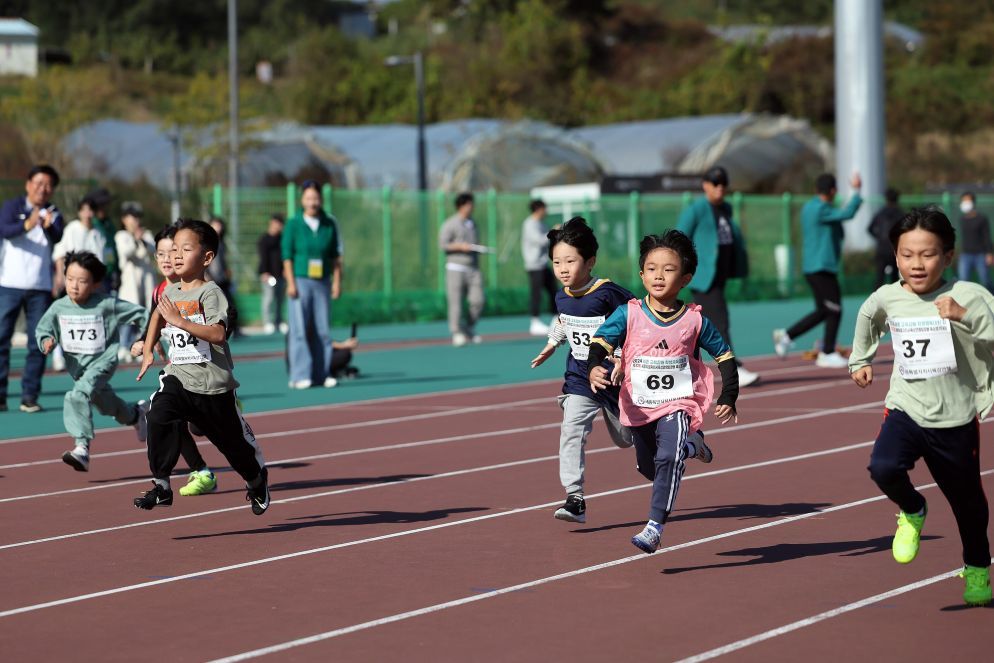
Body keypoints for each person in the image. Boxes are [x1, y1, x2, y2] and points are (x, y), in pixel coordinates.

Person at [849, 206, 991, 606]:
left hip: (956, 417)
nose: (916, 264)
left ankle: (977, 568)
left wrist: (963, 316)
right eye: (907, 254)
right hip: (906, 408)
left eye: (927, 254)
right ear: (895, 256)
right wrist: (860, 360)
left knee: (967, 503)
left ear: (947, 256)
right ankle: (912, 509)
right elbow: (868, 315)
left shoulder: (969, 295)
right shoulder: (889, 296)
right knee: (883, 466)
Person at [531, 218, 709, 524]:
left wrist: (619, 357)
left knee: (629, 441)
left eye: (570, 261)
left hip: (621, 382)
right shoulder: (562, 295)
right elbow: (564, 320)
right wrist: (552, 343)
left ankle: (691, 441)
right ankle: (575, 498)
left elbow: (638, 320)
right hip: (582, 378)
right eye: (557, 262)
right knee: (571, 429)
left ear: (590, 262)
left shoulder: (609, 294)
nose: (562, 269)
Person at [587, 230, 739, 553]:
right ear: (641, 274)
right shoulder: (628, 313)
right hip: (639, 404)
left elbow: (724, 355)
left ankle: (654, 527)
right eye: (652, 269)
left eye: (668, 270)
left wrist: (729, 395)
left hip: (679, 403)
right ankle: (692, 446)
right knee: (651, 468)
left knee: (668, 457)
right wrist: (594, 366)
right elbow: (599, 343)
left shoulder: (695, 321)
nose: (659, 276)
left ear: (685, 278)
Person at [135, 219, 268, 513]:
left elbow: (218, 334)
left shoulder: (211, 293)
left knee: (233, 447)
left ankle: (256, 479)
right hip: (180, 377)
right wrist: (147, 349)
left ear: (207, 257)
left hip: (213, 386)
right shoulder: (171, 291)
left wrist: (180, 322)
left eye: (185, 249)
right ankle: (162, 484)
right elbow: (157, 315)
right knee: (158, 414)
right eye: (173, 249)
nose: (176, 255)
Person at [36, 252, 149, 471]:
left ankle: (82, 448)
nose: (74, 286)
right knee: (106, 404)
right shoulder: (59, 307)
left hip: (103, 363)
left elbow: (143, 315)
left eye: (82, 281)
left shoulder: (106, 304)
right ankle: (136, 414)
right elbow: (44, 329)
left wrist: (145, 339)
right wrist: (46, 341)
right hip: (78, 369)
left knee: (77, 395)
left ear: (95, 284)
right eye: (70, 279)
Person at [129, 225, 218, 497]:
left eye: (174, 252)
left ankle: (227, 403)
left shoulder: (200, 289)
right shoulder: (160, 291)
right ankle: (201, 471)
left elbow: (221, 326)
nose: (168, 258)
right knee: (168, 415)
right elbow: (153, 321)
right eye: (161, 253)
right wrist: (144, 342)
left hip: (207, 373)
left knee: (199, 426)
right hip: (178, 371)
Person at [676, 166, 759, 387]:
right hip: (703, 277)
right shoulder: (696, 209)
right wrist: (684, 268)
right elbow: (678, 238)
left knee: (702, 325)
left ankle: (680, 367)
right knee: (720, 322)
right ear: (705, 185)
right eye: (715, 183)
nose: (719, 188)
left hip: (719, 276)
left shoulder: (726, 209)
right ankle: (733, 370)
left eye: (723, 184)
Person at [773, 172, 863, 368]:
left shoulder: (810, 207)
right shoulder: (821, 209)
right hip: (821, 267)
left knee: (826, 310)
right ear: (833, 191)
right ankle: (824, 351)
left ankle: (791, 338)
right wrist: (856, 191)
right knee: (834, 309)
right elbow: (847, 214)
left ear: (816, 189)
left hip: (814, 266)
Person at [0, 164, 65, 412]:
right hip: (9, 284)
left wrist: (47, 225)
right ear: (28, 184)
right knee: (1, 340)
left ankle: (29, 396)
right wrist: (28, 224)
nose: (42, 189)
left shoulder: (54, 212)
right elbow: (4, 230)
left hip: (40, 287)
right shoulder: (12, 207)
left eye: (48, 185)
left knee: (37, 343)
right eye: (38, 183)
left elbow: (58, 235)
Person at [282, 181, 343, 389]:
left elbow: (335, 256)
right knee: (299, 329)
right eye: (308, 198)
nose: (312, 202)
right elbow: (287, 256)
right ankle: (299, 375)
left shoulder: (329, 223)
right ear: (302, 200)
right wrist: (291, 282)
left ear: (321, 199)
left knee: (322, 329)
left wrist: (337, 281)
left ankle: (321, 374)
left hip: (323, 281)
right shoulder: (293, 224)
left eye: (316, 198)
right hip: (300, 280)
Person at [439, 192, 485, 346]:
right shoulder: (450, 223)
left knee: (478, 300)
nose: (472, 207)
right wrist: (460, 246)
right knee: (456, 303)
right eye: (469, 204)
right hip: (455, 268)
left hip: (472, 268)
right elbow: (443, 244)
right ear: (460, 206)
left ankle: (467, 327)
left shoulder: (473, 223)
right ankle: (456, 332)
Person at [115, 205, 156, 362]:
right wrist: (135, 239)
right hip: (130, 282)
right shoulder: (122, 235)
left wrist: (142, 239)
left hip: (146, 282)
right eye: (132, 217)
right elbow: (126, 252)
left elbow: (154, 250)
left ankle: (142, 346)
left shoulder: (146, 234)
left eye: (137, 217)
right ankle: (124, 346)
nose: (135, 221)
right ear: (124, 219)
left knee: (145, 316)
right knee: (129, 315)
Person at [521, 199, 557, 336]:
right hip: (534, 265)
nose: (546, 211)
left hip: (543, 263)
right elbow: (540, 240)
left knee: (553, 290)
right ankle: (534, 322)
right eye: (544, 208)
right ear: (538, 209)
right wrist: (553, 232)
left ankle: (556, 319)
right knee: (536, 293)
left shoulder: (542, 224)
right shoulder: (529, 224)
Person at [208, 215, 239, 336]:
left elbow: (223, 262)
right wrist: (208, 276)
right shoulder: (208, 242)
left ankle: (233, 329)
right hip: (213, 279)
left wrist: (227, 272)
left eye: (219, 225)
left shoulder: (222, 242)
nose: (218, 227)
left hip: (222, 279)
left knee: (230, 305)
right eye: (215, 225)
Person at [868, 187, 904, 289]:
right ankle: (895, 298)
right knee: (894, 279)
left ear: (886, 199)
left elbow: (870, 229)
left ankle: (875, 298)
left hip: (881, 249)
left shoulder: (880, 213)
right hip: (895, 249)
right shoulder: (901, 214)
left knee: (879, 278)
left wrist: (879, 237)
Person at [956, 192, 992, 289]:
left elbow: (987, 237)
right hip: (965, 255)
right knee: (963, 280)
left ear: (973, 202)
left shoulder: (982, 218)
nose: (965, 203)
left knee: (985, 281)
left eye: (967, 200)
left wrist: (989, 254)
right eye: (963, 201)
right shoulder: (962, 219)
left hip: (980, 254)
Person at [258, 213, 287, 334]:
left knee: (280, 299)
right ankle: (267, 322)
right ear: (271, 223)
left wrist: (286, 270)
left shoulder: (283, 239)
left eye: (280, 224)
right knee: (269, 298)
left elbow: (286, 256)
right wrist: (264, 272)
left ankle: (279, 321)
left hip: (281, 274)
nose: (278, 226)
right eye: (276, 223)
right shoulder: (264, 239)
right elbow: (263, 257)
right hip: (268, 275)